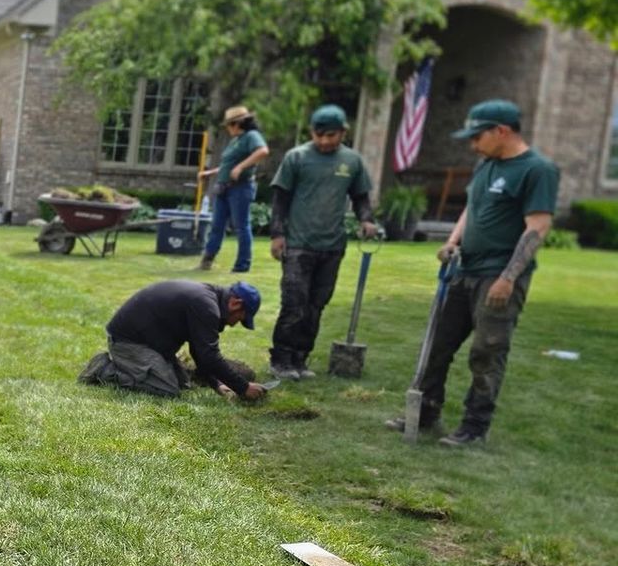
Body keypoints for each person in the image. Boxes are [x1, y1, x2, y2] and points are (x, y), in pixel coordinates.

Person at [388, 100, 557, 446]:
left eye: (477, 136)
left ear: (502, 131)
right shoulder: (485, 164)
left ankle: (474, 427)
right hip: (464, 270)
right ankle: (425, 411)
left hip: (498, 275)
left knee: (487, 351)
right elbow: (473, 206)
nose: (472, 144)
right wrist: (452, 241)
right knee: (438, 343)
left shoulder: (537, 170)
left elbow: (537, 227)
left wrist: (508, 278)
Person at [266, 104, 379, 379]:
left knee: (316, 305)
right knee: (294, 302)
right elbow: (280, 199)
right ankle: (281, 358)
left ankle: (300, 358)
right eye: (320, 135)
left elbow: (360, 196)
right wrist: (278, 235)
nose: (325, 141)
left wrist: (366, 220)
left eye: (331, 135)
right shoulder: (297, 158)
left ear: (343, 132)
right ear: (311, 133)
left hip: (332, 245)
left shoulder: (351, 161)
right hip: (299, 244)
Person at [80, 279, 267, 401]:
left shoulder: (206, 300)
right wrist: (243, 388)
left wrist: (217, 384)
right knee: (167, 389)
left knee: (182, 384)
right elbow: (208, 355)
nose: (235, 324)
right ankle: (104, 369)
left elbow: (199, 352)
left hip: (153, 345)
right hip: (128, 342)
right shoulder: (206, 305)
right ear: (236, 304)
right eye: (240, 319)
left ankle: (135, 368)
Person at [198, 105, 270, 273]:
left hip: (240, 188)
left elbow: (263, 151)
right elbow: (227, 165)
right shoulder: (235, 140)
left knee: (241, 226)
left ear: (237, 123)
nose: (227, 128)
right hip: (224, 188)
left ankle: (242, 265)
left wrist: (241, 167)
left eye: (229, 125)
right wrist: (211, 172)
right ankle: (207, 259)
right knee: (217, 225)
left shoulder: (251, 136)